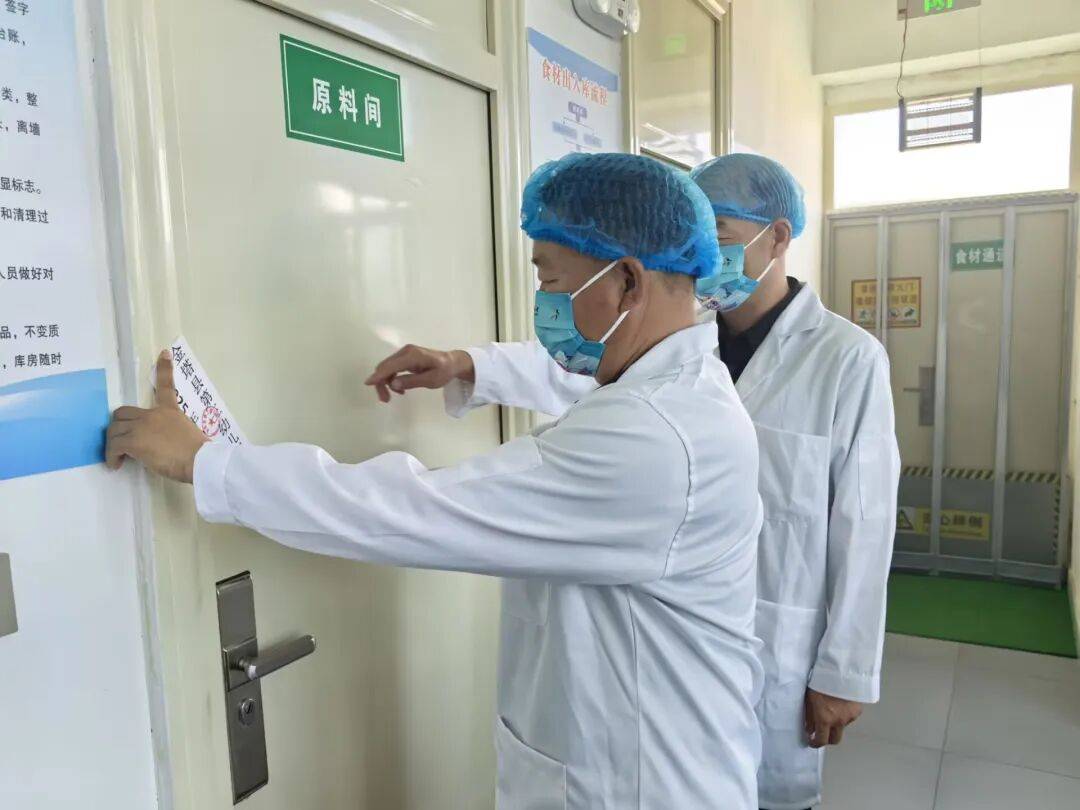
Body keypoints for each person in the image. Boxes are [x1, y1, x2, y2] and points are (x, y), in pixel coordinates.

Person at [105, 152, 767, 809]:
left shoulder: (657, 439)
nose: (544, 303)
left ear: (625, 282)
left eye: (551, 279)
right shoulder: (671, 388)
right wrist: (466, 365)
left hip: (647, 787)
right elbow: (569, 381)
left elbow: (411, 509)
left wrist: (207, 463)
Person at [370, 153, 900, 810]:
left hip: (776, 633)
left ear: (779, 237)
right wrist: (466, 365)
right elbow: (578, 370)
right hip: (672, 641)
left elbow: (865, 521)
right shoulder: (681, 330)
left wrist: (845, 670)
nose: (709, 254)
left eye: (725, 236)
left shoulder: (846, 359)